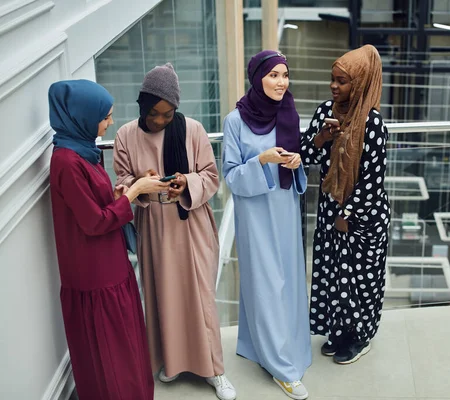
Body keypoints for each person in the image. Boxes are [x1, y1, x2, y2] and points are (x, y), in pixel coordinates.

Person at [113, 63, 236, 400]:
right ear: (143, 105)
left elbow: (211, 176)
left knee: (200, 297)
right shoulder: (125, 135)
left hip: (190, 222)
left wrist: (187, 182)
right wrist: (142, 184)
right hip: (154, 226)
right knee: (162, 295)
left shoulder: (192, 130)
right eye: (155, 114)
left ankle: (215, 371)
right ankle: (172, 361)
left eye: (168, 115)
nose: (161, 121)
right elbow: (122, 182)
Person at [48, 79, 169, 399]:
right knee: (111, 355)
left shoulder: (82, 150)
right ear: (83, 115)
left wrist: (122, 193)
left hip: (109, 264)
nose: (111, 122)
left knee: (124, 345)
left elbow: (95, 204)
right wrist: (132, 193)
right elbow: (94, 221)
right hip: (94, 273)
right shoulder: (67, 161)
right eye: (106, 116)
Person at [222, 50, 312, 400]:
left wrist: (296, 161)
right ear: (258, 77)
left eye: (285, 75)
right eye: (273, 75)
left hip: (286, 211)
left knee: (287, 282)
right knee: (265, 284)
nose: (281, 82)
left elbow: (295, 169)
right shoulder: (235, 120)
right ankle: (282, 370)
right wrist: (261, 159)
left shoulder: (287, 112)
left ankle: (273, 348)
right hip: (256, 214)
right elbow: (231, 176)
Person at [300, 44, 390, 365]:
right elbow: (305, 156)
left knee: (361, 278)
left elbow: (372, 180)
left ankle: (359, 336)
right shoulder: (326, 111)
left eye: (342, 81)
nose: (334, 86)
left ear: (361, 83)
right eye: (332, 79)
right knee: (335, 274)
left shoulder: (373, 124)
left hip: (362, 216)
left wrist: (347, 214)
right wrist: (322, 138)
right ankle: (337, 333)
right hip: (330, 212)